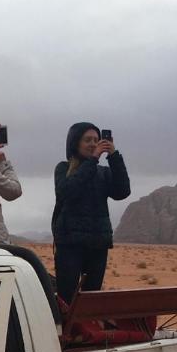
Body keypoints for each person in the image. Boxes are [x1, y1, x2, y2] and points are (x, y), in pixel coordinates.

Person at [51, 122, 131, 303]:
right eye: (87, 140)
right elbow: (67, 192)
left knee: (91, 299)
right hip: (69, 243)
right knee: (66, 299)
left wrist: (114, 157)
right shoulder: (63, 169)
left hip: (97, 243)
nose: (93, 144)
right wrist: (92, 160)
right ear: (75, 143)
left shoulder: (103, 172)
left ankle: (86, 330)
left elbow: (122, 191)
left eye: (96, 140)